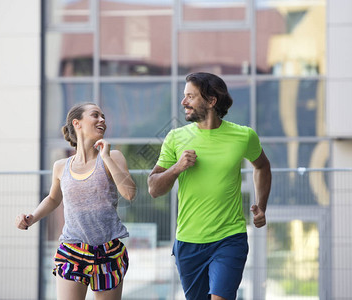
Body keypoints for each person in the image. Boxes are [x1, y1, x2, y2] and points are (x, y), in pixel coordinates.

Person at [148, 72, 272, 300]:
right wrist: (177, 168)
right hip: (189, 241)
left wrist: (261, 205)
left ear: (211, 101)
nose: (183, 102)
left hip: (229, 237)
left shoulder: (243, 136)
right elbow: (154, 189)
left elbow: (262, 166)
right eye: (184, 96)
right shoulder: (175, 137)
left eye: (190, 96)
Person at [15, 102, 136, 300]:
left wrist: (105, 157)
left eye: (103, 116)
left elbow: (130, 193)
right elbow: (53, 199)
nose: (102, 120)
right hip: (72, 250)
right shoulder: (61, 166)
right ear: (77, 123)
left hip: (109, 252)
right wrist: (32, 217)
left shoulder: (113, 156)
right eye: (95, 115)